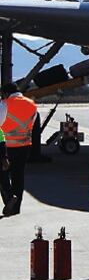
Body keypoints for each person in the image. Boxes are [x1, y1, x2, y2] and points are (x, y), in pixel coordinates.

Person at [0, 83, 38, 216]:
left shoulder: (4, 104)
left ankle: (10, 199)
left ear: (5, 93)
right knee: (18, 176)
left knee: (3, 175)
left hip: (7, 146)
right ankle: (16, 208)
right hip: (24, 145)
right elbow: (30, 124)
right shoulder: (32, 104)